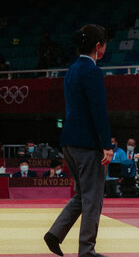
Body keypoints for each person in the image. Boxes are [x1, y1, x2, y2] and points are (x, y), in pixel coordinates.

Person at [44, 24, 113, 257]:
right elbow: (98, 110)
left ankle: (55, 233)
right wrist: (106, 144)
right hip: (87, 143)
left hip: (69, 141)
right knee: (93, 198)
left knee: (83, 194)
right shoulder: (92, 71)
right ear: (98, 46)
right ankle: (87, 250)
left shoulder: (72, 69)